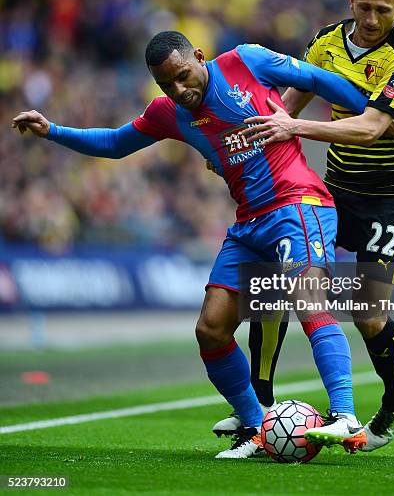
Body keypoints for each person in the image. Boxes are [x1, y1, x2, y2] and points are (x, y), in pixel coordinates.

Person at [13, 31, 372, 458]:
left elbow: (316, 78)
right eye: (168, 85)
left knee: (308, 300)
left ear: (199, 57)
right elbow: (114, 143)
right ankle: (257, 428)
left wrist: (376, 115)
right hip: (249, 222)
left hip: (298, 203)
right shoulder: (168, 113)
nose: (180, 91)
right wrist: (52, 130)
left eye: (184, 76)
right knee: (211, 329)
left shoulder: (247, 62)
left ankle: (346, 416)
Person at [227, 0, 394, 452]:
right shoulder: (326, 41)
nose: (373, 19)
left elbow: (370, 129)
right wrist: (243, 144)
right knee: (277, 278)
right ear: (350, 0)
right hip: (335, 187)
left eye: (384, 10)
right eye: (365, 6)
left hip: (390, 194)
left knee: (367, 313)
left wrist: (294, 128)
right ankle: (257, 410)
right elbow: (289, 102)